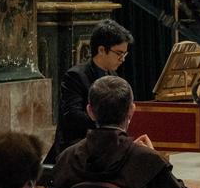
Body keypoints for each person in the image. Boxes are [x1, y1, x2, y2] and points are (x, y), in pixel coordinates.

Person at [52, 75, 195, 188]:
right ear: (131, 110)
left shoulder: (66, 158)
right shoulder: (146, 160)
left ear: (90, 111)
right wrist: (156, 158)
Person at [45, 19, 134, 164]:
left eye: (124, 54)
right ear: (101, 50)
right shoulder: (75, 76)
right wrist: (107, 125)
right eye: (119, 53)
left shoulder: (114, 77)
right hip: (77, 147)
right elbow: (72, 116)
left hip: (103, 143)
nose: (122, 59)